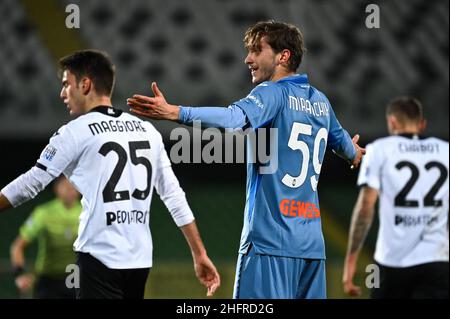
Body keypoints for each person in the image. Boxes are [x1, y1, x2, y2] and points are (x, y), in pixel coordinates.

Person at [127, 20, 365, 299]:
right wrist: (356, 153)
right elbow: (348, 148)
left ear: (282, 56)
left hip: (269, 243)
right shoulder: (321, 102)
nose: (247, 58)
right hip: (311, 248)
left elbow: (234, 119)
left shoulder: (272, 93)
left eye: (256, 50)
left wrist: (177, 113)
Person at [0, 49, 220, 299]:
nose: (62, 93)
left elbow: (32, 182)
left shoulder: (74, 132)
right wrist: (199, 253)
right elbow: (173, 195)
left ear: (85, 84)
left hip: (99, 257)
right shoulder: (146, 130)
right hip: (139, 260)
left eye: (66, 84)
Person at [343, 97, 449, 299]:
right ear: (422, 124)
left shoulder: (379, 150)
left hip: (391, 262)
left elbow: (366, 208)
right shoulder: (446, 151)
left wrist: (351, 261)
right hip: (437, 261)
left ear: (392, 122)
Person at [11, 176, 81, 299]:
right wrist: (19, 275)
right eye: (65, 186)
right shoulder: (43, 213)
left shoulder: (88, 212)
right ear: (56, 189)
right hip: (47, 280)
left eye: (73, 186)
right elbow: (18, 246)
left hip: (77, 278)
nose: (70, 190)